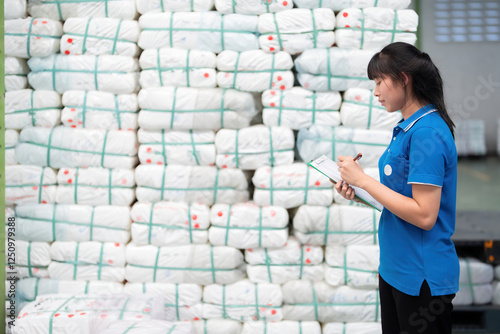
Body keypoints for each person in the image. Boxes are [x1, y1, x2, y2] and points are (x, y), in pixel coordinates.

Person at [334, 42, 459, 334]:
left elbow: (425, 215)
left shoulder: (427, 132)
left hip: (421, 278)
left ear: (404, 79)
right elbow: (400, 199)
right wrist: (359, 190)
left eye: (379, 82)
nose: (375, 92)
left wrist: (364, 180)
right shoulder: (407, 128)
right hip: (395, 269)